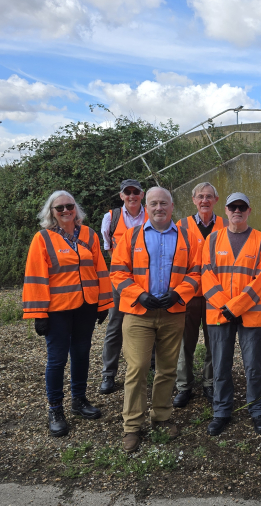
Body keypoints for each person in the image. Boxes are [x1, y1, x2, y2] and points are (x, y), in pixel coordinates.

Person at [110, 187, 202, 453]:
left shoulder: (188, 237)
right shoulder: (131, 236)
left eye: (163, 203)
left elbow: (196, 272)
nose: (159, 208)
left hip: (173, 313)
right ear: (146, 207)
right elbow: (118, 272)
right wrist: (138, 295)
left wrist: (179, 294)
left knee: (167, 368)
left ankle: (161, 416)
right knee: (137, 368)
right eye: (153, 203)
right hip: (139, 313)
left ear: (172, 206)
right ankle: (132, 425)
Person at [23, 190, 113, 437]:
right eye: (59, 208)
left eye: (69, 206)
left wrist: (103, 304)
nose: (65, 211)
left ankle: (79, 400)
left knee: (81, 354)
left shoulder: (89, 235)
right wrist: (39, 313)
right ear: (51, 212)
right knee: (57, 359)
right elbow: (36, 276)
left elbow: (100, 270)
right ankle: (55, 409)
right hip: (57, 311)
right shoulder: (42, 238)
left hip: (86, 306)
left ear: (76, 208)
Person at [202, 192, 261, 436]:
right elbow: (206, 276)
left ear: (249, 211)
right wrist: (226, 307)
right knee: (220, 365)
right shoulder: (212, 239)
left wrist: (236, 307)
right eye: (233, 207)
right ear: (226, 210)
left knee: (254, 366)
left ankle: (257, 411)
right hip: (220, 314)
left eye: (242, 207)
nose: (237, 211)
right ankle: (221, 412)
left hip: (251, 315)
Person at [173, 182, 228, 408]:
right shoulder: (182, 225)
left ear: (216, 200)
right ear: (193, 200)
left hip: (216, 296)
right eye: (200, 197)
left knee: (214, 341)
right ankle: (183, 386)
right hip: (189, 294)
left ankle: (210, 382)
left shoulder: (226, 224)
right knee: (185, 342)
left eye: (209, 196)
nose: (205, 200)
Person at [99, 178, 148, 395]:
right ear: (121, 196)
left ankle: (152, 366)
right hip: (120, 280)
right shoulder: (111, 218)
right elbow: (110, 250)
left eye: (135, 192)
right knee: (115, 325)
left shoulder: (152, 213)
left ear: (142, 194)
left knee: (151, 320)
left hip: (147, 279)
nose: (132, 196)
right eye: (127, 192)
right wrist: (125, 276)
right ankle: (108, 374)